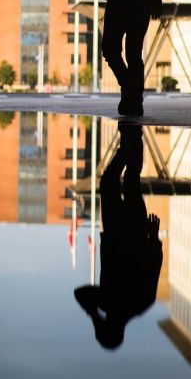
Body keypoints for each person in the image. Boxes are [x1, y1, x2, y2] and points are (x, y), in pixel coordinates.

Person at [74, 124, 163, 350]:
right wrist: (94, 314)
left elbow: (154, 265)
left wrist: (153, 236)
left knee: (131, 181)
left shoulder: (142, 304)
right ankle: (128, 142)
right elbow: (80, 294)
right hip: (117, 232)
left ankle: (133, 138)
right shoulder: (106, 302)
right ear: (106, 326)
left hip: (133, 232)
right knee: (111, 180)